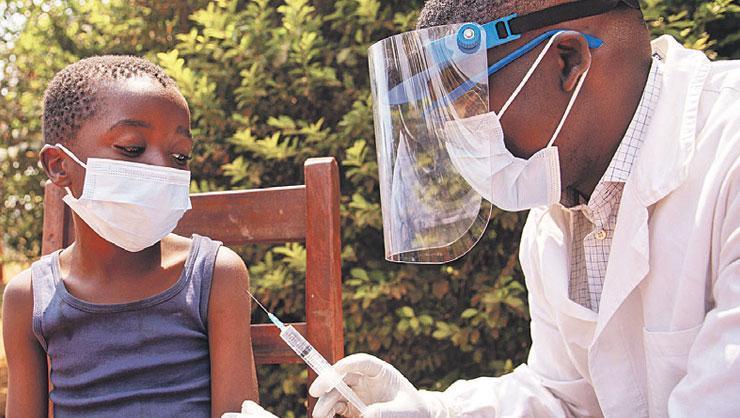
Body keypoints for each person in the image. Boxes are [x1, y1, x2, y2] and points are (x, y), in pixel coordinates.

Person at [241, 0, 739, 417]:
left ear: (567, 61)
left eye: (469, 106)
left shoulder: (729, 155)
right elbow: (566, 399)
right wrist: (432, 412)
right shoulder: (557, 216)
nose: (463, 141)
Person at [2, 55, 259, 417]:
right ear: (59, 166)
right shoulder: (29, 297)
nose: (162, 169)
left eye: (180, 156)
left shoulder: (214, 275)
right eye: (132, 149)